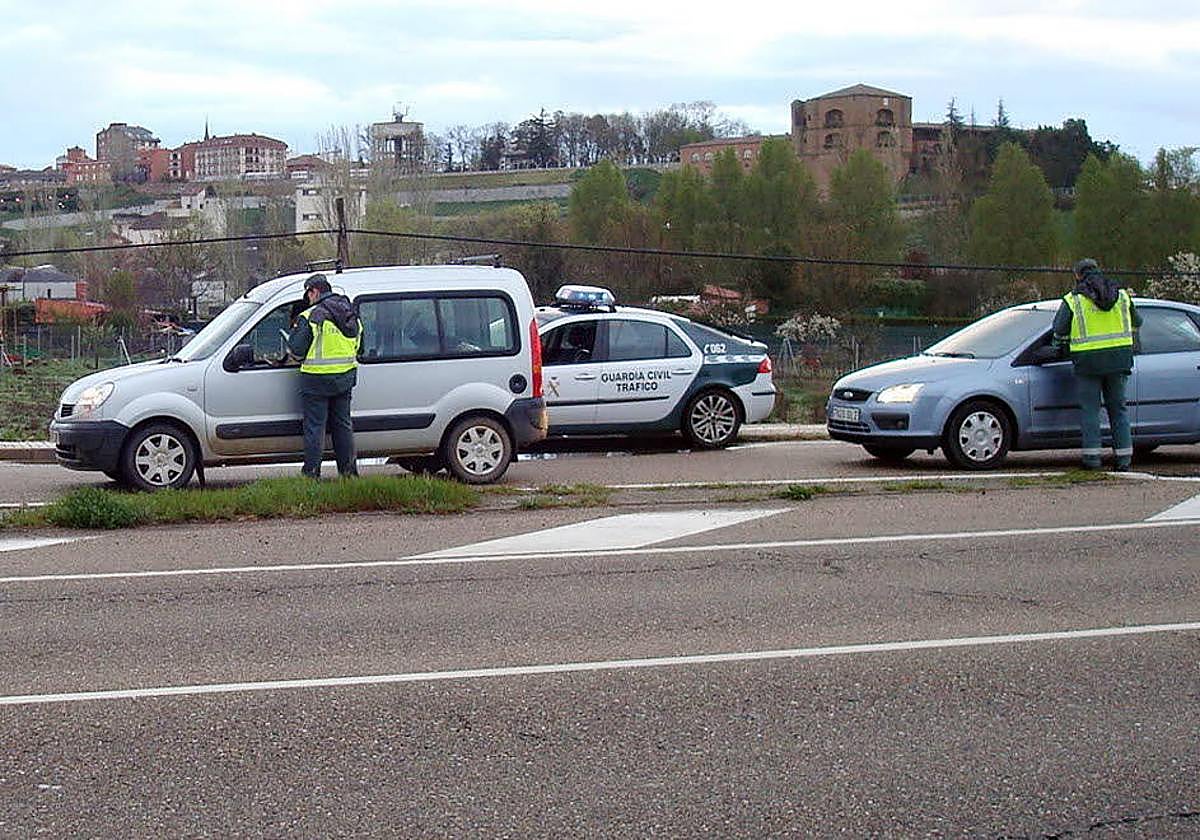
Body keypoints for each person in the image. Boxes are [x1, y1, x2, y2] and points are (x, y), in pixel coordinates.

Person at [1052, 258, 1141, 471]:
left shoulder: (1074, 300)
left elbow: (1059, 329)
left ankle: (1092, 460)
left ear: (1078, 276)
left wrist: (1062, 345)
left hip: (1087, 363)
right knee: (1118, 410)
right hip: (1119, 361)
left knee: (1090, 411)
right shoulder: (1122, 296)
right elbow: (1138, 322)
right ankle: (1124, 460)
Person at [287, 274, 362, 479]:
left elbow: (296, 352)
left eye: (308, 294)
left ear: (315, 291)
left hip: (316, 381)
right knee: (343, 426)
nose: (307, 298)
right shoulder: (350, 314)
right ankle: (349, 475)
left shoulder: (311, 316)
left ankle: (311, 474)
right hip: (345, 378)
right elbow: (360, 346)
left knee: (315, 429)